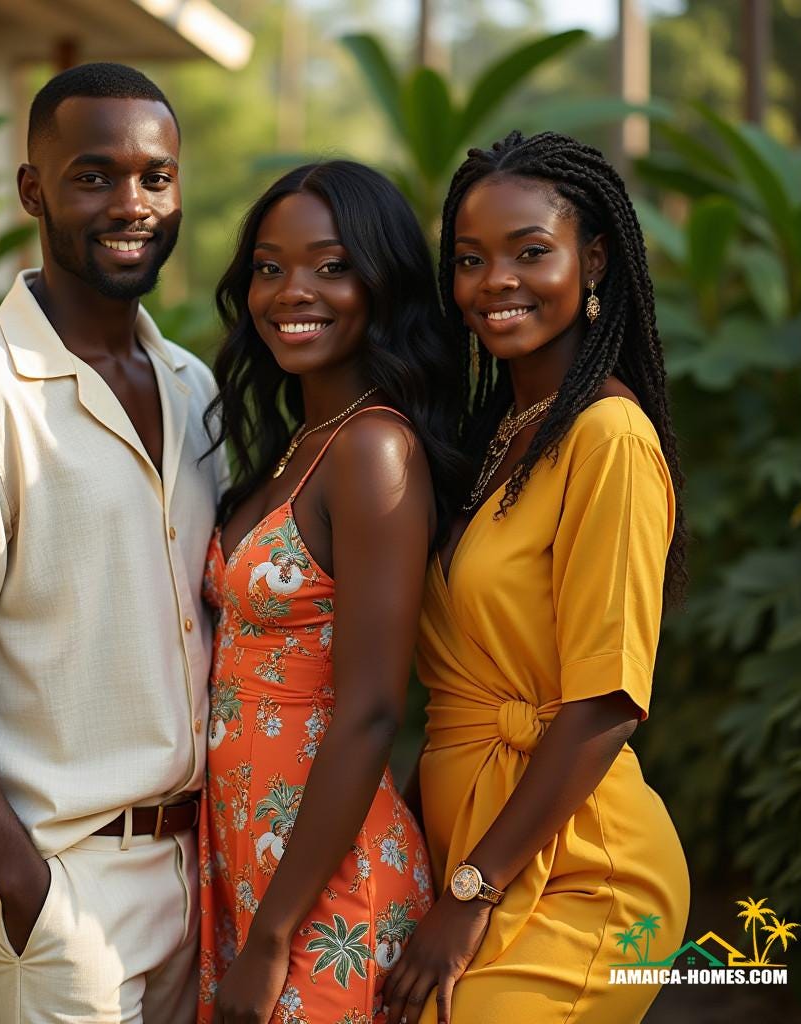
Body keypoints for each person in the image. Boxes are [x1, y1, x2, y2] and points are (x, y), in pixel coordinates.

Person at [0, 63, 227, 1023]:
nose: (132, 203)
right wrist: (27, 891)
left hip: (198, 875)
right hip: (63, 890)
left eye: (157, 176)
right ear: (34, 189)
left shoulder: (195, 388)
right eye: (94, 175)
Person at [382, 131, 690, 1024]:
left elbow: (606, 701)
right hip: (473, 849)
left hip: (581, 873)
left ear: (592, 261)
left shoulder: (609, 438)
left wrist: (469, 894)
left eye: (530, 252)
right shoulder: (497, 437)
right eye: (471, 260)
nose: (495, 281)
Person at [196, 161, 463, 1024]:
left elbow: (374, 710)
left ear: (381, 282)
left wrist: (273, 937)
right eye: (269, 268)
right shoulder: (296, 443)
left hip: (328, 886)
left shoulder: (374, 450)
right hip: (247, 860)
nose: (290, 292)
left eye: (331, 265)